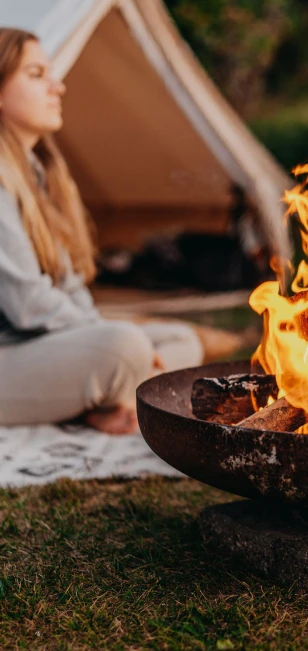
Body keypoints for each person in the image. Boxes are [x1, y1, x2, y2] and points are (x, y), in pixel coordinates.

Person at [0, 28, 204, 435]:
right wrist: (110, 341)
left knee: (182, 340)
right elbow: (29, 305)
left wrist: (99, 334)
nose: (58, 87)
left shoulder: (39, 174)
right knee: (125, 347)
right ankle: (111, 396)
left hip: (38, 349)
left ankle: (106, 400)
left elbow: (68, 285)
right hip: (9, 356)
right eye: (37, 74)